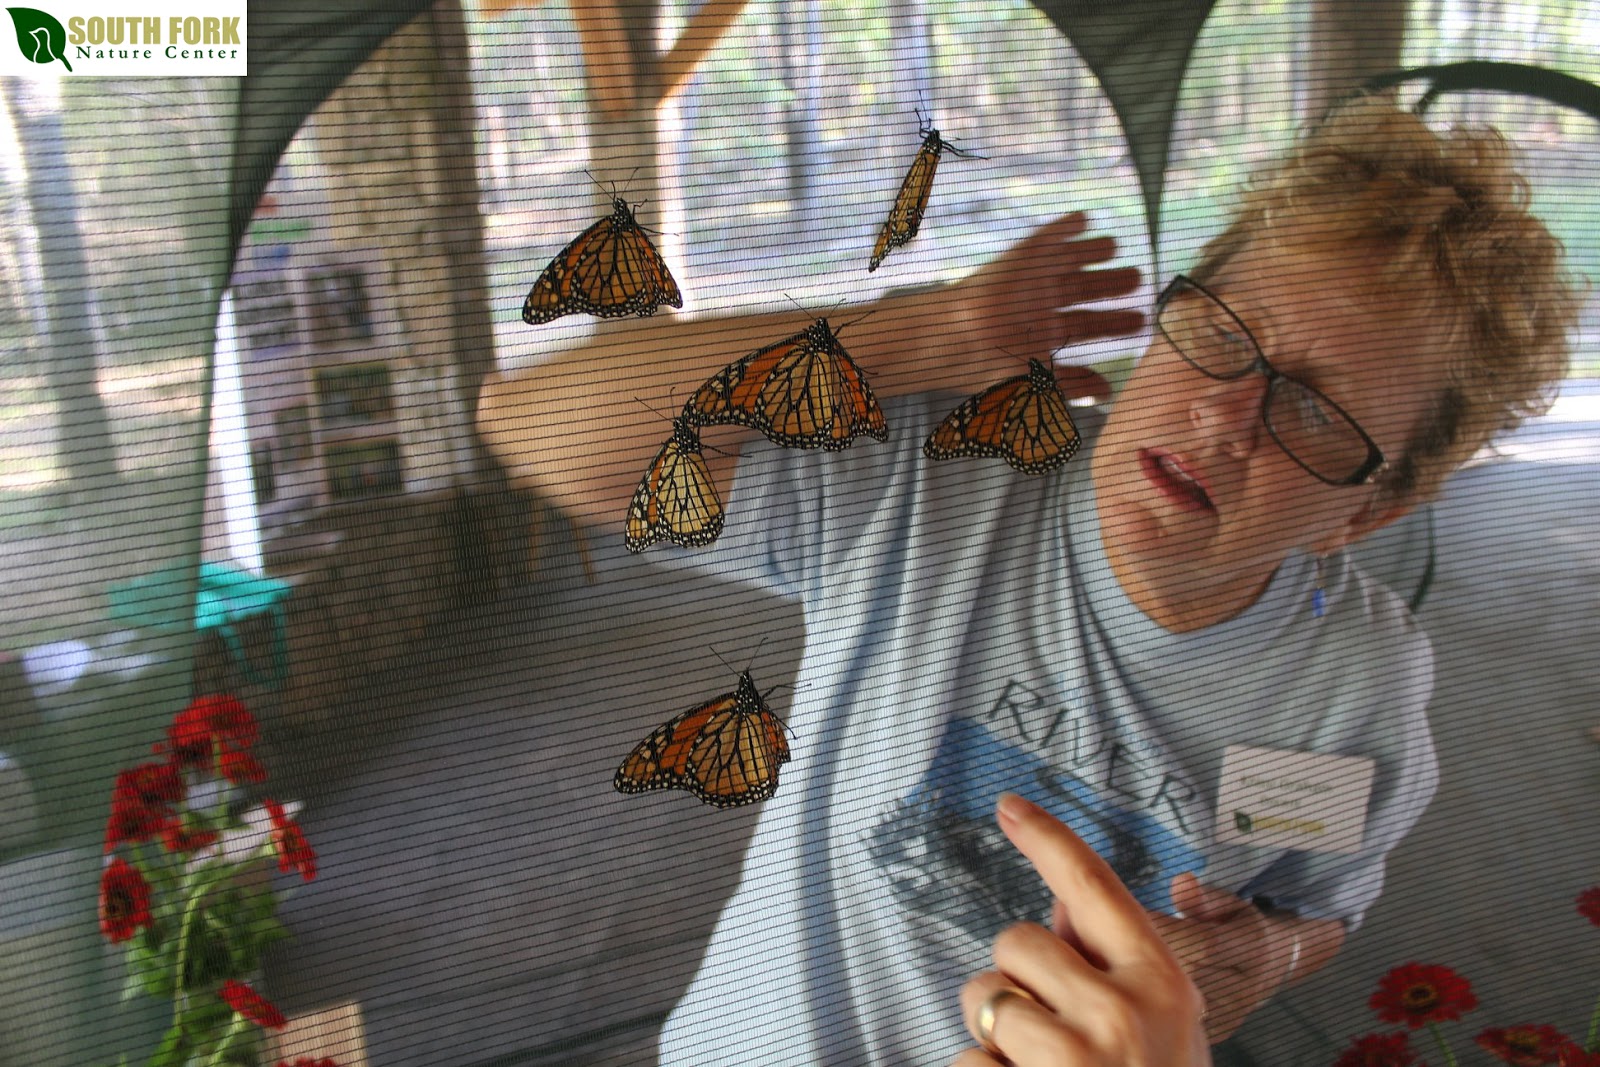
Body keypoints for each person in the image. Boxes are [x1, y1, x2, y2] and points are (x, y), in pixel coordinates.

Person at [477, 95, 1579, 1066]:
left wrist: (1270, 952)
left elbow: (1314, 898)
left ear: (1368, 510)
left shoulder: (1349, 691)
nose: (1225, 413)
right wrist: (927, 330)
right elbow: (537, 427)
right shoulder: (951, 474)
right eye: (1222, 332)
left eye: (1315, 408)